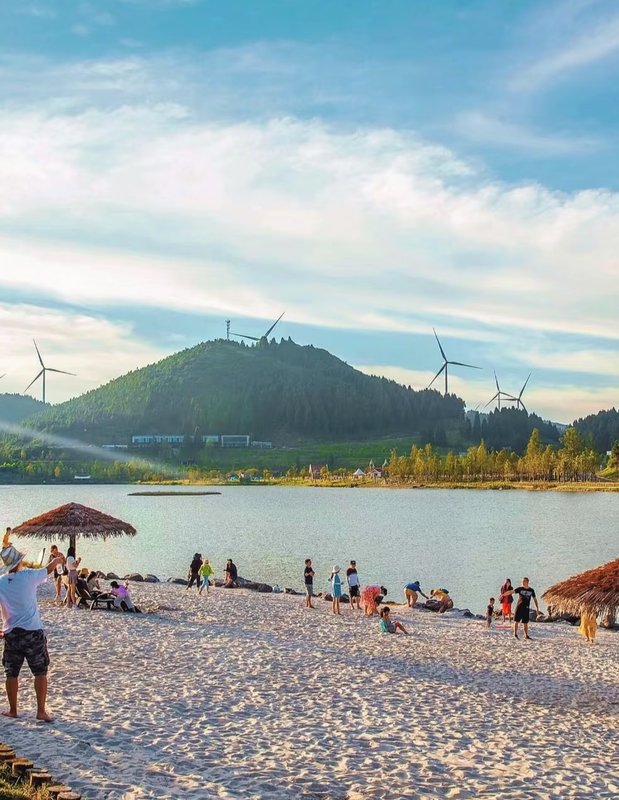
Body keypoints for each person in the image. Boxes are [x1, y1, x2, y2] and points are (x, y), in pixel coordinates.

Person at [0, 535, 63, 721]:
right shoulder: (28, 575)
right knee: (40, 672)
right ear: (19, 562)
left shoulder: (1, 581)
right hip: (33, 632)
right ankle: (41, 711)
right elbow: (48, 569)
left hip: (11, 633)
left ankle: (13, 710)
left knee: (11, 673)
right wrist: (57, 561)